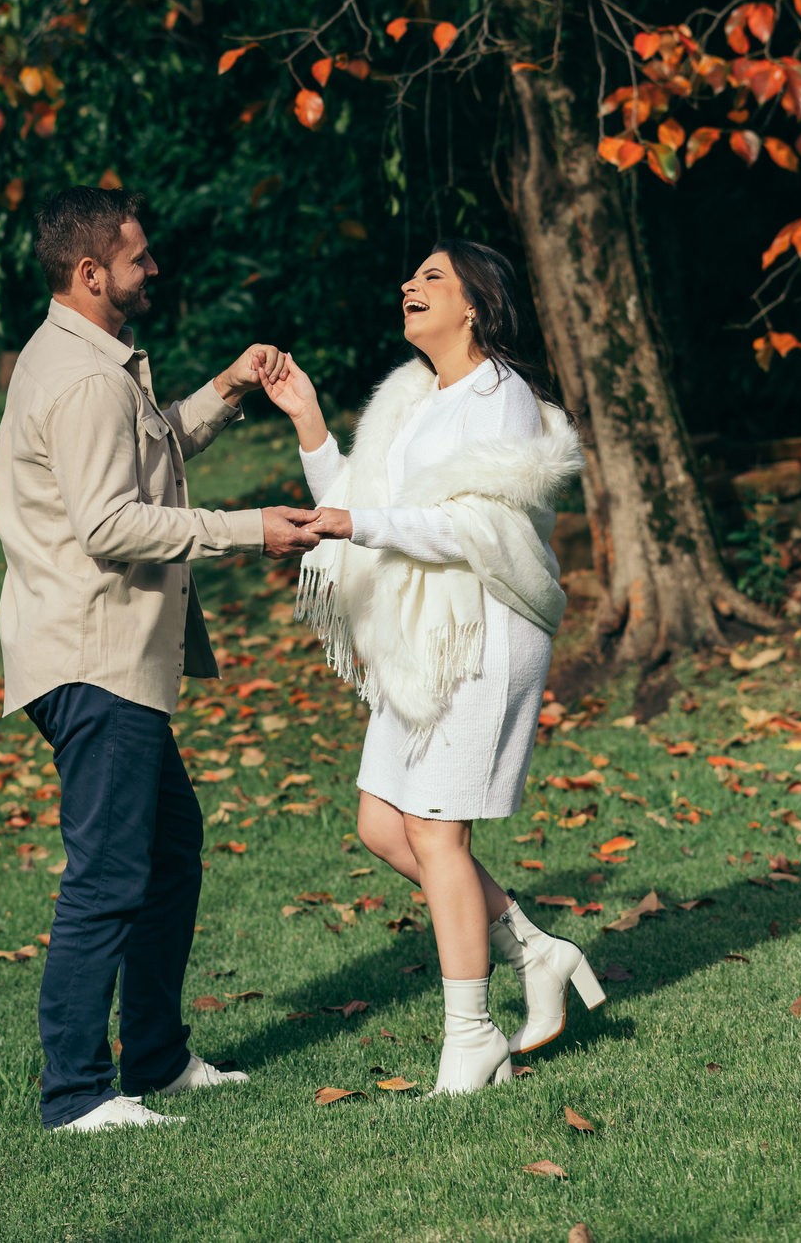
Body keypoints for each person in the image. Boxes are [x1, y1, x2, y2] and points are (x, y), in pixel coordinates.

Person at [0, 186, 320, 1134]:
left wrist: (226, 389)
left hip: (100, 651)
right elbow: (109, 523)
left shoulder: (86, 358)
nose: (154, 268)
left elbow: (146, 455)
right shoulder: (87, 378)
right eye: (139, 257)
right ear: (91, 272)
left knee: (169, 849)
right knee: (108, 873)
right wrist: (249, 529)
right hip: (93, 655)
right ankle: (76, 1094)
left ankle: (158, 1059)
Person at [257, 238, 605, 1095]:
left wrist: (359, 525)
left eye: (433, 278)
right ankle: (536, 952)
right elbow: (358, 502)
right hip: (421, 635)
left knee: (438, 833)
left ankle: (471, 1038)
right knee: (384, 825)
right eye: (412, 276)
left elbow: (471, 529)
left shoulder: (501, 397)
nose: (411, 285)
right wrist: (308, 419)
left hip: (479, 628)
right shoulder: (415, 400)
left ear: (475, 305)